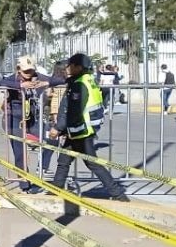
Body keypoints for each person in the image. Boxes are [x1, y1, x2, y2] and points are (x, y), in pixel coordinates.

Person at [48, 53, 127, 201]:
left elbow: (72, 110)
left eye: (70, 65)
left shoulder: (79, 84)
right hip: (78, 130)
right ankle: (55, 188)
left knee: (92, 163)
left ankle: (118, 194)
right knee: (64, 160)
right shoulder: (88, 79)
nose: (67, 68)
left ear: (78, 67)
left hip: (80, 131)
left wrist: (58, 128)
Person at [0, 55, 64, 192]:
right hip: (13, 119)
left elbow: (61, 80)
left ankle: (42, 167)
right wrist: (20, 86)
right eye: (26, 71)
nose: (29, 74)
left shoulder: (38, 77)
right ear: (18, 69)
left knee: (52, 139)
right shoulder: (12, 78)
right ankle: (24, 184)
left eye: (31, 70)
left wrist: (46, 83)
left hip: (32, 119)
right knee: (20, 154)